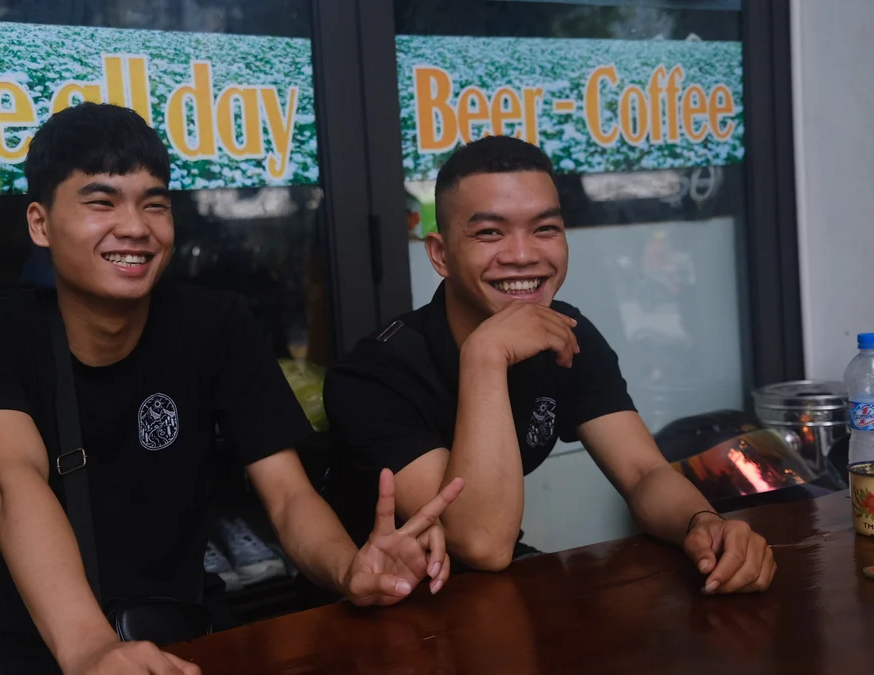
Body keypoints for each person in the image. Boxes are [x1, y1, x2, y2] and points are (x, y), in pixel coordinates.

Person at [0, 102, 465, 675]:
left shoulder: (216, 325)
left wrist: (350, 568)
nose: (135, 227)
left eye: (154, 204)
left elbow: (287, 494)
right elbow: (11, 483)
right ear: (40, 223)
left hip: (185, 633)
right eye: (101, 202)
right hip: (46, 651)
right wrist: (91, 649)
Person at [324, 135, 775, 595]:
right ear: (441, 254)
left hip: (488, 594)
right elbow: (479, 544)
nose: (524, 255)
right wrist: (485, 356)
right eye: (490, 233)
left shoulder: (564, 332)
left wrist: (704, 523)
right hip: (372, 604)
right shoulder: (372, 377)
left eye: (545, 229)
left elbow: (644, 472)